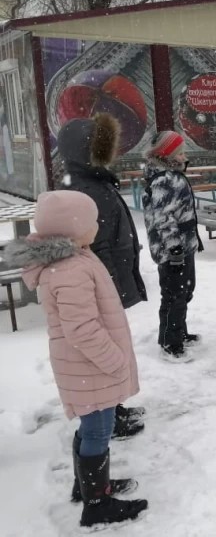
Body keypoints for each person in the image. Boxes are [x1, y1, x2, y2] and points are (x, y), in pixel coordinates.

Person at [5, 191, 148, 527]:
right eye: (91, 222)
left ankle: (87, 487)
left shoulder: (75, 257)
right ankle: (97, 504)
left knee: (93, 426)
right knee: (98, 428)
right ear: (72, 229)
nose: (97, 226)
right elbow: (81, 329)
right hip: (89, 365)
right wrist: (114, 360)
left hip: (85, 366)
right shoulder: (69, 269)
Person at [56, 114, 146, 440]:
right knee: (103, 351)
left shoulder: (94, 182)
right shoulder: (85, 189)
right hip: (100, 286)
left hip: (109, 281)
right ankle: (109, 415)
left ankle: (115, 406)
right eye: (102, 147)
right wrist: (107, 284)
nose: (111, 154)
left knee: (113, 346)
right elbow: (92, 245)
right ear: (87, 152)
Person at [142, 131, 203, 360]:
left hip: (183, 246)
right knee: (174, 295)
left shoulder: (171, 175)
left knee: (185, 291)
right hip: (172, 251)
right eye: (180, 152)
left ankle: (179, 332)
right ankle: (170, 342)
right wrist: (174, 248)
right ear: (168, 155)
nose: (184, 155)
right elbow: (164, 218)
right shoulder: (164, 180)